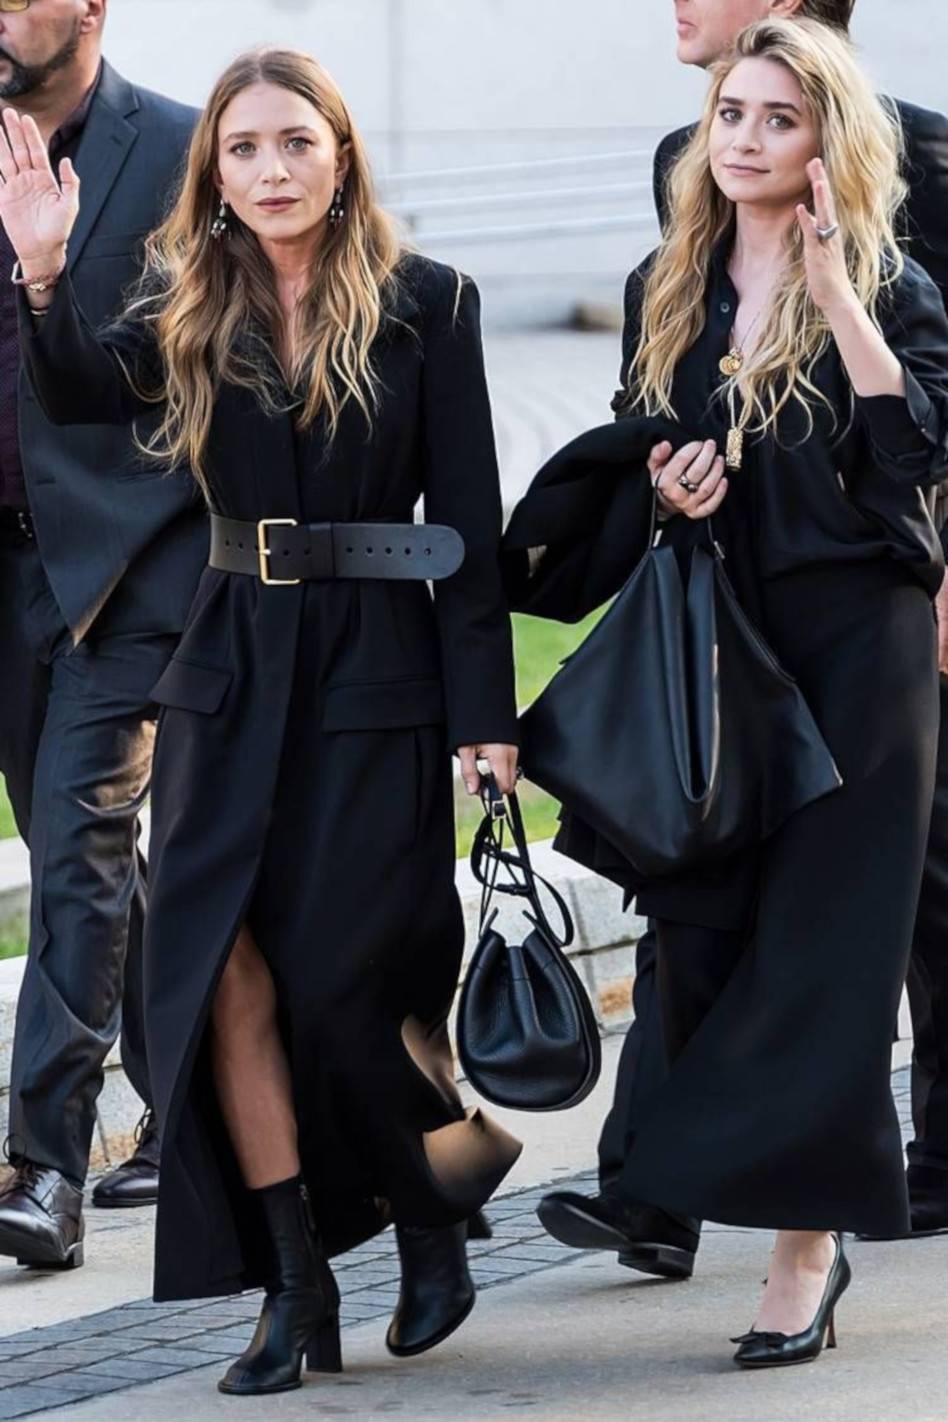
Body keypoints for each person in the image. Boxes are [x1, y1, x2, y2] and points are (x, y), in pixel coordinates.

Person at [0, 45, 523, 1393]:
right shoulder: (188, 295)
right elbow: (81, 393)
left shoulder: (428, 302)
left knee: (351, 980)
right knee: (218, 969)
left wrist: (488, 718)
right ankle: (295, 1285)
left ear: (341, 157)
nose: (271, 169)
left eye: (296, 142)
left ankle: (432, 1206)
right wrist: (44, 273)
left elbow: (470, 526)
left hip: (376, 674)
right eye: (243, 148)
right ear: (215, 174)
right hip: (229, 668)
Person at [514, 17, 948, 1365]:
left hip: (860, 646)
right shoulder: (670, 280)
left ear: (829, 144)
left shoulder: (890, 283)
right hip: (722, 639)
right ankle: (673, 1177)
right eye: (734, 116)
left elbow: (916, 458)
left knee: (828, 953)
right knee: (703, 928)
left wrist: (836, 299)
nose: (746, 138)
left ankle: (805, 1256)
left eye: (779, 119)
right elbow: (643, 436)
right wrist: (668, 481)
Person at [0, 0, 203, 1274]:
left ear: (89, 8)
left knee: (75, 847)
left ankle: (45, 1169)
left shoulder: (180, 150)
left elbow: (190, 360)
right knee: (77, 847)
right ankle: (195, 1110)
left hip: (122, 564)